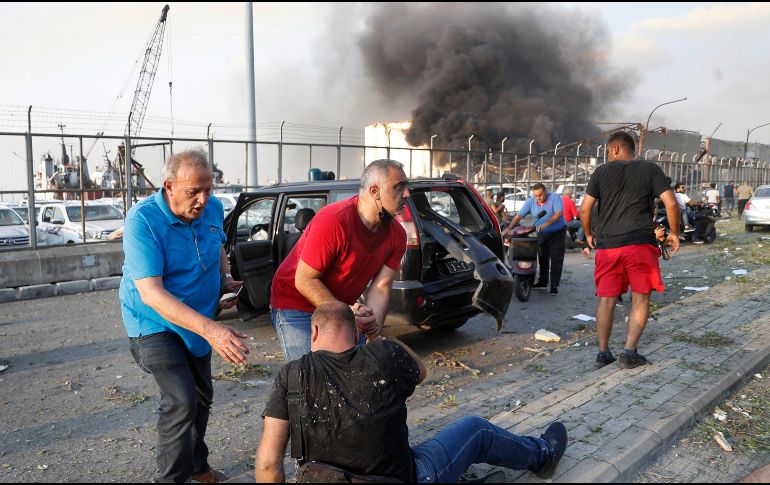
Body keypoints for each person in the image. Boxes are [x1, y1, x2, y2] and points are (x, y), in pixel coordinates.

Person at [255, 301, 568, 483]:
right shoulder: (384, 356)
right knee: (476, 430)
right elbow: (420, 371)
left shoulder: (291, 375)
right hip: (408, 478)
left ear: (313, 331)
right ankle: (542, 456)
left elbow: (269, 465)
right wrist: (377, 334)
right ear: (356, 333)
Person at [120, 149, 249, 483]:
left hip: (198, 321)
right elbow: (151, 293)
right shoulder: (143, 220)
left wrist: (224, 279)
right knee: (180, 399)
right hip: (154, 322)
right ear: (169, 186)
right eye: (194, 191)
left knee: (202, 398)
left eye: (208, 189)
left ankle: (197, 466)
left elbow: (217, 244)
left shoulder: (214, 207)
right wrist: (213, 331)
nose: (203, 199)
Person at [270, 159, 408, 362]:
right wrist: (347, 313)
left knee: (351, 372)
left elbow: (381, 287)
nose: (407, 194)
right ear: (374, 191)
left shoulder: (397, 235)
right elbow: (305, 280)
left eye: (406, 187)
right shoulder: (333, 220)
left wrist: (372, 329)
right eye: (398, 188)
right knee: (312, 376)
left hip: (341, 308)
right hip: (296, 305)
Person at [580, 131, 680, 370]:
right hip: (639, 244)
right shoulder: (650, 169)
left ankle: (603, 353)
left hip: (607, 247)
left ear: (615, 149)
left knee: (606, 300)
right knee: (641, 296)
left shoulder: (601, 172)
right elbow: (672, 203)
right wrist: (674, 233)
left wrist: (588, 235)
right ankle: (629, 353)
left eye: (607, 150)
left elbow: (585, 209)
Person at [502, 183, 566, 295]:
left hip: (557, 233)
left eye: (540, 195)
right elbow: (519, 216)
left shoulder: (554, 197)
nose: (538, 198)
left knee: (556, 259)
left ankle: (554, 285)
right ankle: (543, 282)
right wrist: (508, 229)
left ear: (545, 191)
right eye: (536, 195)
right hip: (541, 233)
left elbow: (558, 213)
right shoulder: (531, 201)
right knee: (542, 258)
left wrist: (546, 224)